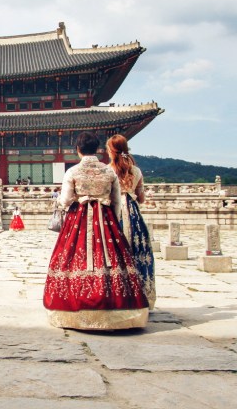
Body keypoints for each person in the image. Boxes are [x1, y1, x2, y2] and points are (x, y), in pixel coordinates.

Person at [43, 132, 148, 330]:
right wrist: (113, 224)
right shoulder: (108, 172)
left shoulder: (72, 172)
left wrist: (61, 203)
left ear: (78, 150)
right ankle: (116, 310)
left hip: (79, 218)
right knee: (110, 258)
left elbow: (65, 200)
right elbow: (116, 201)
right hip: (105, 217)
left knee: (74, 257)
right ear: (98, 150)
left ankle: (74, 308)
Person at [107, 134, 156, 309]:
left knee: (116, 256)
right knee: (138, 255)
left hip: (115, 214)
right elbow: (141, 198)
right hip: (134, 216)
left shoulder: (108, 170)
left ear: (111, 150)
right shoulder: (137, 171)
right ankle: (142, 297)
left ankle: (119, 298)